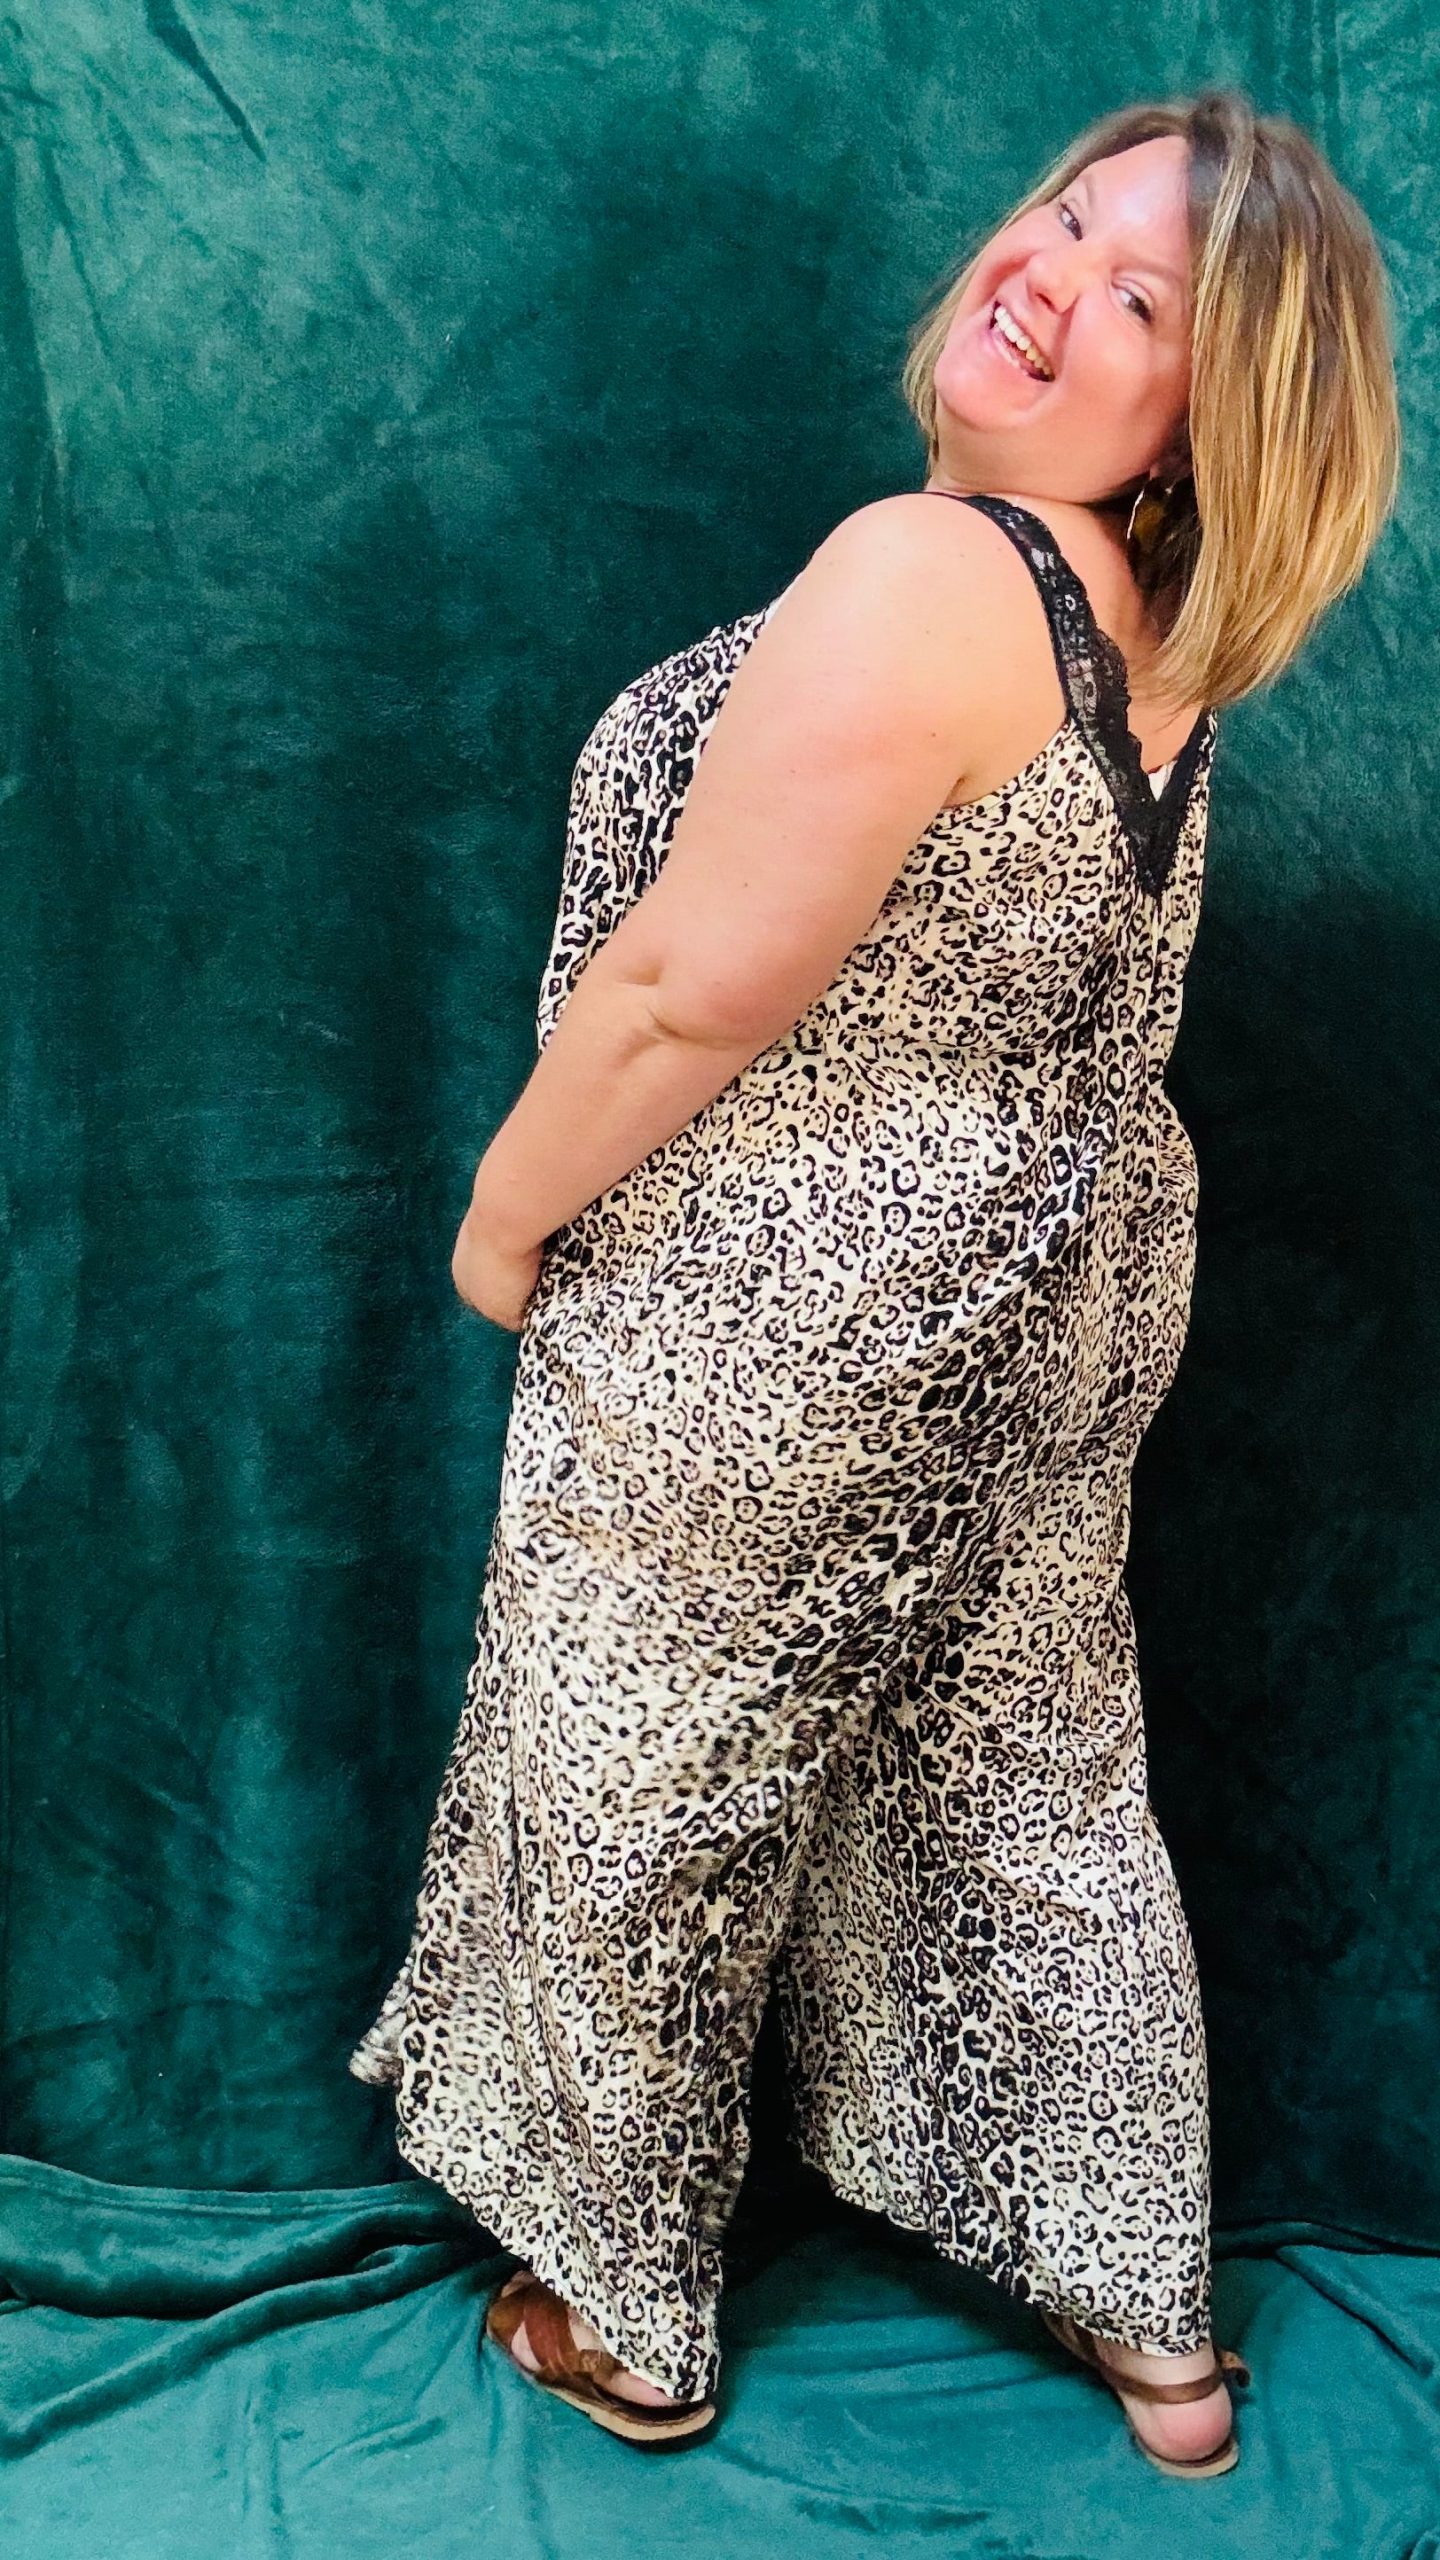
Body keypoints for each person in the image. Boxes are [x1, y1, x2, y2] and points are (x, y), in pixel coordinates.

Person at [349, 85, 1399, 2476]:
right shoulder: (1146, 642)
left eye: (1141, 298)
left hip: (793, 1301)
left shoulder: (926, 574)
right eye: (1067, 218)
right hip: (1047, 1306)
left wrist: (505, 1219)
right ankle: (1163, 2338)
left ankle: (630, 2314)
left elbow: (685, 989)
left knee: (642, 1774)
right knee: (1036, 1782)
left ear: (1199, 421)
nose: (1049, 277)